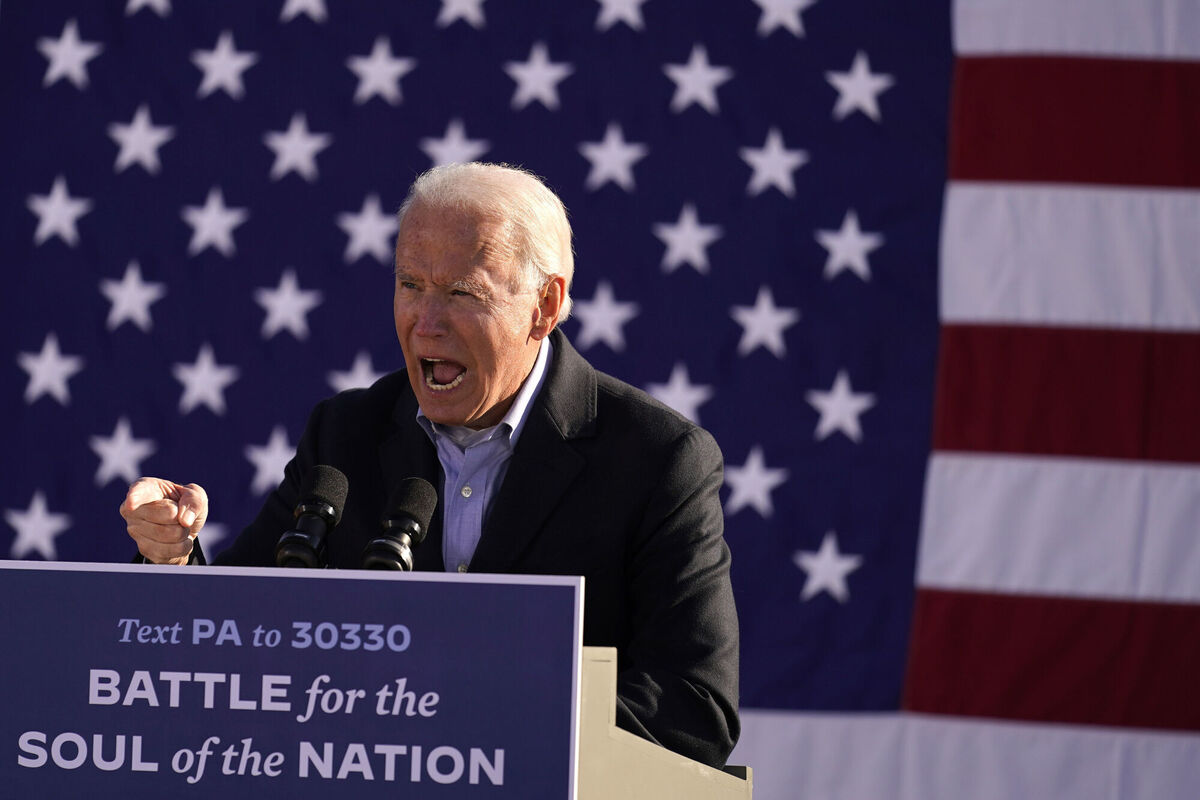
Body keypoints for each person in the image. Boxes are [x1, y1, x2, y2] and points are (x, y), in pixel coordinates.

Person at [121, 162, 740, 768]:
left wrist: (470, 728)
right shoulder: (345, 436)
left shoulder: (657, 459)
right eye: (410, 285)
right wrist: (172, 556)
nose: (426, 322)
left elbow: (694, 708)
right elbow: (236, 639)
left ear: (544, 306)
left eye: (462, 293)